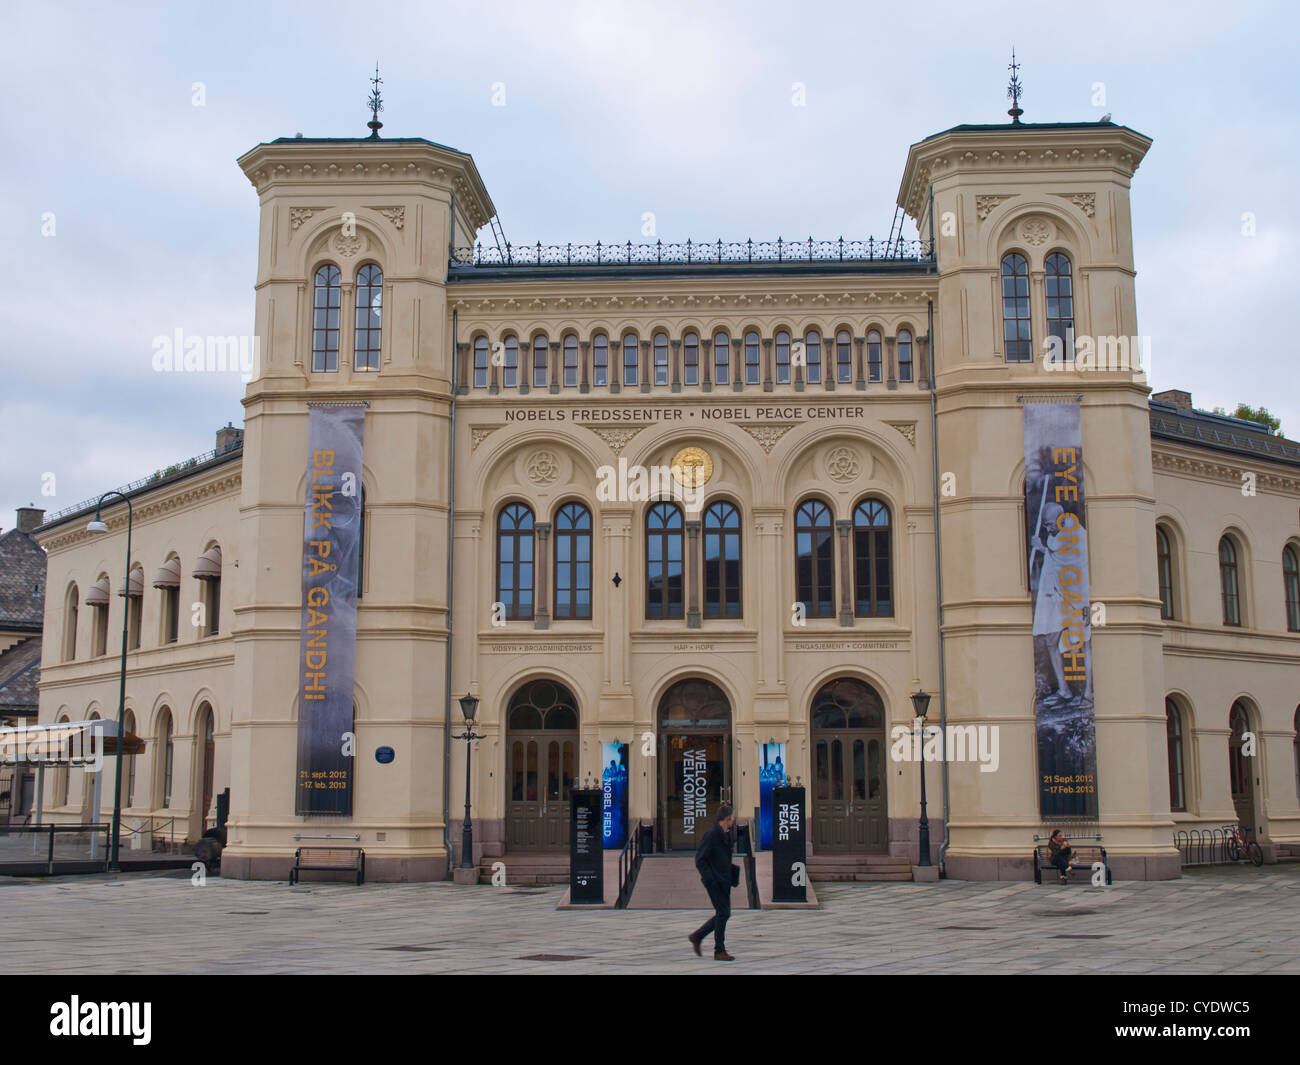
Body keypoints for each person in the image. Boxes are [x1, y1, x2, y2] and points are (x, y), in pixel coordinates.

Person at [688, 805, 737, 961]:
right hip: (715, 881)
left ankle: (698, 937)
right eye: (733, 817)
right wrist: (711, 879)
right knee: (723, 913)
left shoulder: (726, 834)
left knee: (723, 913)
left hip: (724, 880)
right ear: (727, 818)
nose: (734, 820)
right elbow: (700, 860)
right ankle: (718, 950)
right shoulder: (712, 835)